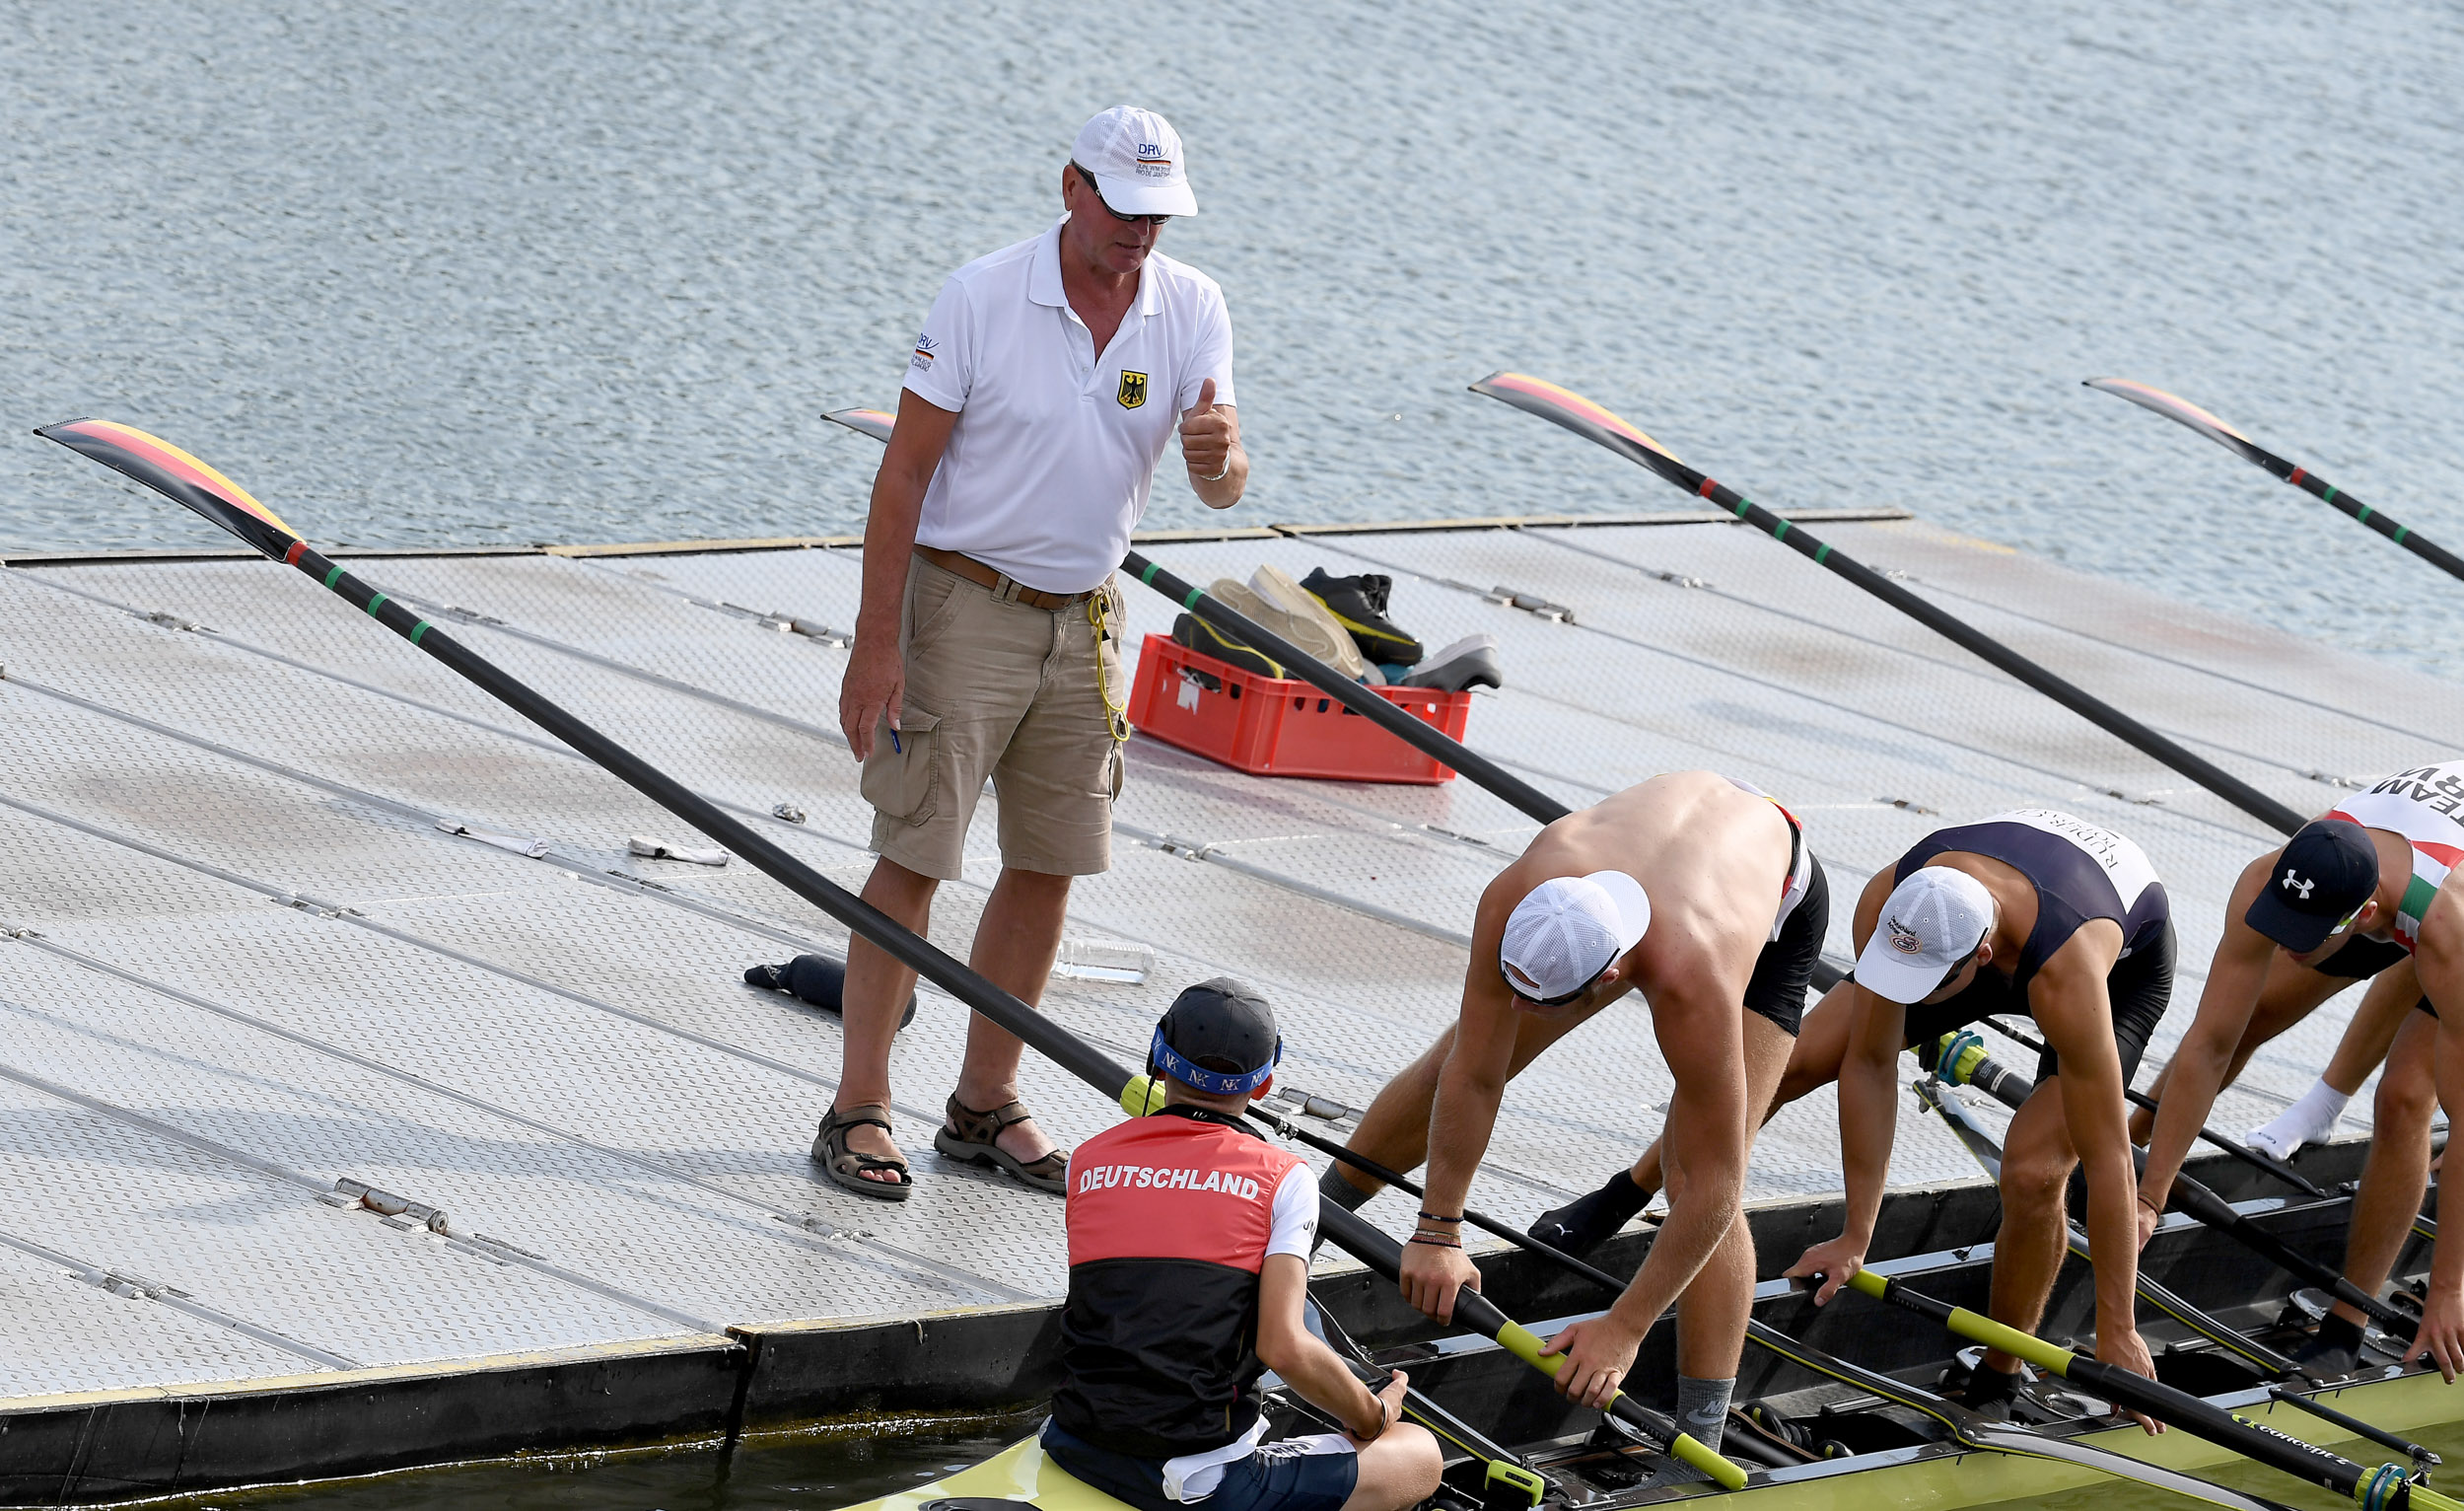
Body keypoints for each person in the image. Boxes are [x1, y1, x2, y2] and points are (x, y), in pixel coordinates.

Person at [821, 106, 1246, 1199]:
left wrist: (1224, 459)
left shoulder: (1192, 306)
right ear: (1071, 186)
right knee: (915, 851)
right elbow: (903, 475)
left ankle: (982, 1099)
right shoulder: (980, 295)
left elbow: (1219, 478)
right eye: (1122, 206)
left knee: (1052, 860)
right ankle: (858, 1104)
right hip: (962, 602)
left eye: (1160, 213)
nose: (1140, 232)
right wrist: (878, 645)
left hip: (1090, 617)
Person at [1322, 770, 1827, 1449]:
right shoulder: (1520, 890)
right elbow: (1473, 1076)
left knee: (1689, 1171)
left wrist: (1624, 1327)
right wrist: (1436, 1230)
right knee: (1454, 1058)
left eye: (1545, 1001)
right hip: (1667, 845)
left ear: (1610, 979)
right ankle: (1306, 1231)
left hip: (1771, 891)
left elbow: (1716, 1185)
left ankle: (1698, 1439)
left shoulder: (1692, 979)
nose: (1523, 1013)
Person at [1781, 809, 2170, 1422]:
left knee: (2034, 1172)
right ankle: (1642, 1194)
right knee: (1793, 1062)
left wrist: (2116, 1324)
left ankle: (2000, 1371)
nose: (1902, 989)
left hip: (2112, 967)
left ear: (1982, 956)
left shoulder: (2066, 973)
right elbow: (1871, 1064)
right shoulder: (1894, 900)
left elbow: (2111, 1157)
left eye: (1922, 979)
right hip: (2007, 912)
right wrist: (1857, 1233)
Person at [1040, 980, 1442, 1511]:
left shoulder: (1089, 1159)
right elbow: (1283, 1347)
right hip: (1195, 1485)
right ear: (1265, 1083)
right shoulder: (1285, 1178)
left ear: (1158, 1058)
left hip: (1072, 1442)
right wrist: (1374, 1414)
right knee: (1421, 1455)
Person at [2135, 765, 2464, 1379]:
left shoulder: (2449, 927)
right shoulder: (2274, 870)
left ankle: (2346, 1323)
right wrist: (2147, 1193)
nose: (2289, 945)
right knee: (2251, 1013)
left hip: (2446, 904)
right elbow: (2210, 1042)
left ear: (2366, 915)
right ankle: (2132, 1141)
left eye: (2305, 936)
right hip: (2403, 877)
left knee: (2403, 1098)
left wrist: (2448, 1288)